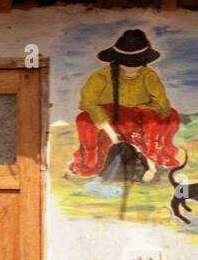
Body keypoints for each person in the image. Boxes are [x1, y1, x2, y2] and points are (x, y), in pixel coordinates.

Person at [68, 29, 181, 184]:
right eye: (127, 63)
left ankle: (152, 163)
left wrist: (142, 108)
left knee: (161, 118)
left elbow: (161, 104)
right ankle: (92, 165)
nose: (132, 68)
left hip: (139, 117)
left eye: (136, 63)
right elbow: (88, 102)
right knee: (84, 120)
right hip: (109, 118)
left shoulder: (149, 76)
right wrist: (111, 133)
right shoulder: (101, 76)